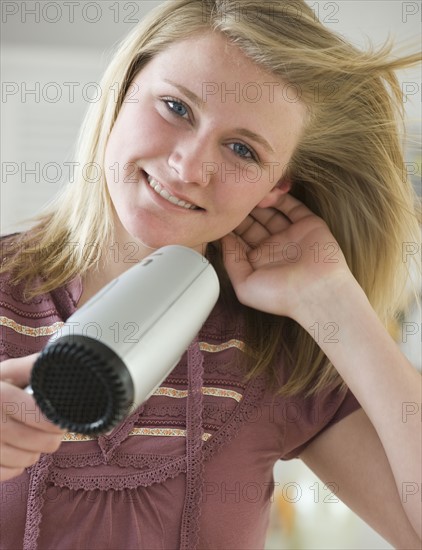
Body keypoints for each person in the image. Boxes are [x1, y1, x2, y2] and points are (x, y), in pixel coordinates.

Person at [1, 1, 421, 548]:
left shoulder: (276, 359)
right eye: (176, 107)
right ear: (122, 90)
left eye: (242, 150)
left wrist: (336, 301)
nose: (189, 167)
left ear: (275, 188)